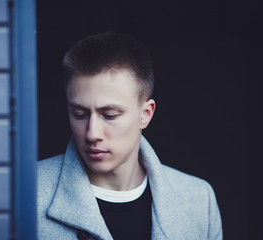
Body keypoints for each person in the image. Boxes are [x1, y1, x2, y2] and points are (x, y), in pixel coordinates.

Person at [37, 32, 222, 240]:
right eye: (79, 114)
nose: (92, 133)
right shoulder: (28, 194)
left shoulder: (199, 200)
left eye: (110, 115)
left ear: (145, 114)